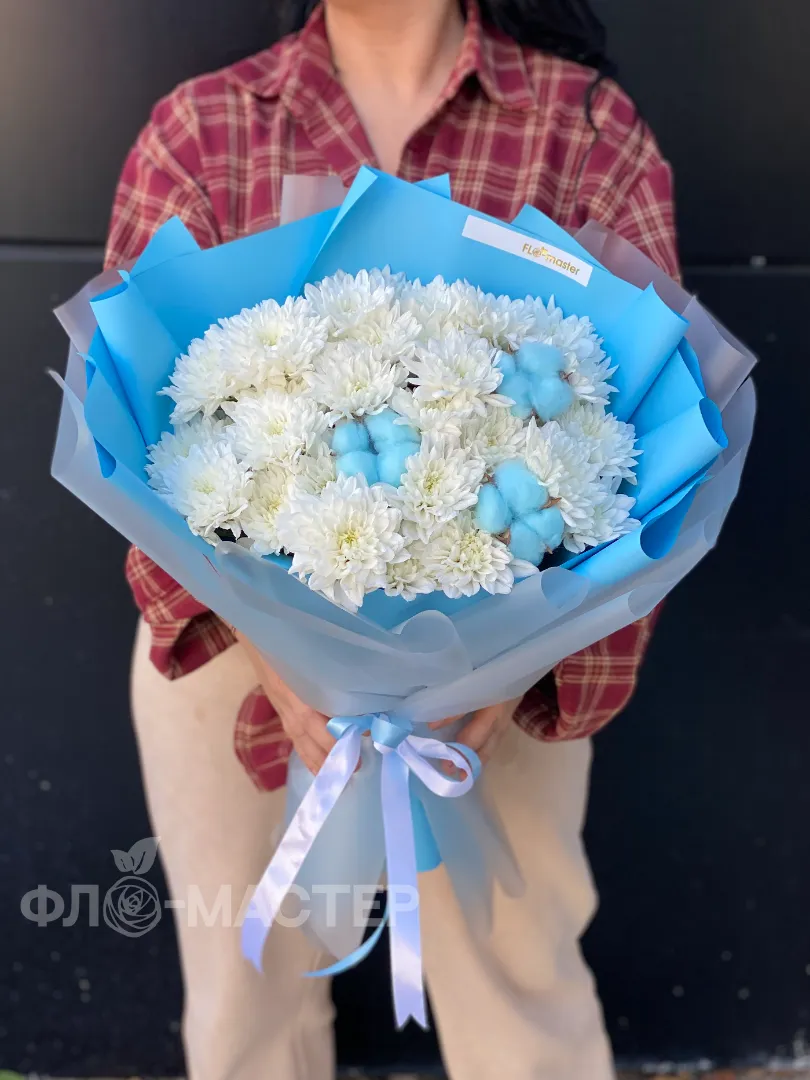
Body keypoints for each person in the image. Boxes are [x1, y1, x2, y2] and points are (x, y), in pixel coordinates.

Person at [106, 1, 677, 1077]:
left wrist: (498, 684)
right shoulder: (204, 128)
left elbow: (651, 448)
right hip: (233, 663)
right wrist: (279, 663)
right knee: (242, 1001)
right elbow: (135, 441)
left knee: (522, 987)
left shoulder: (585, 130)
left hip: (509, 674)